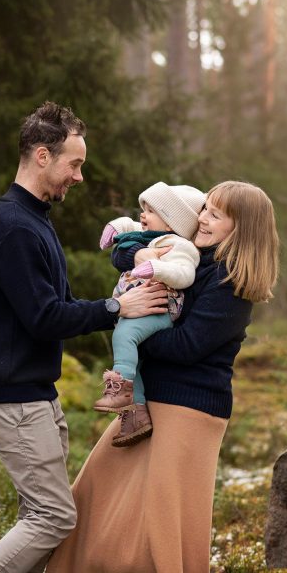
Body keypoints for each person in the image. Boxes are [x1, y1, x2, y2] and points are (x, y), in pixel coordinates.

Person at [0, 101, 169, 573]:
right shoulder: (14, 227)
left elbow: (58, 306)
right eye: (74, 163)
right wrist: (119, 307)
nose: (79, 176)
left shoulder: (33, 218)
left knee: (39, 516)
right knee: (53, 517)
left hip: (33, 391)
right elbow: (44, 318)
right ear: (43, 156)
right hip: (13, 397)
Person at [46, 180, 280, 573]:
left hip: (189, 409)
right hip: (151, 400)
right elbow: (138, 252)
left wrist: (131, 323)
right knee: (96, 493)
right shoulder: (195, 261)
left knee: (161, 520)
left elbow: (187, 346)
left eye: (215, 215)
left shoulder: (231, 286)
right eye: (204, 208)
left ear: (240, 229)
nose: (202, 218)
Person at [93, 182, 205, 448]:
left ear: (170, 222)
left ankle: (120, 390)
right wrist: (114, 229)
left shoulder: (178, 245)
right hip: (140, 309)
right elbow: (127, 224)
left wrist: (154, 268)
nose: (142, 215)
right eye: (143, 208)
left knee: (124, 336)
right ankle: (136, 417)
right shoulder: (149, 234)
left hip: (159, 309)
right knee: (137, 362)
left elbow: (184, 273)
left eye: (150, 210)